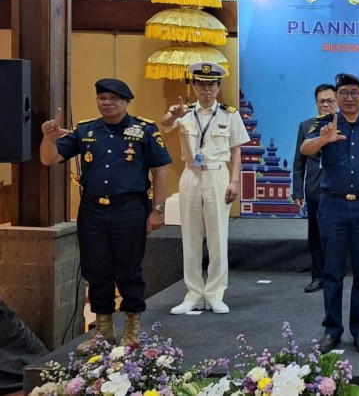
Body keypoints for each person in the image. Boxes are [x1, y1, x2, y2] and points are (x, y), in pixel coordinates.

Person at [40, 79, 171, 353]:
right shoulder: (86, 130)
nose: (107, 103)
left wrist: (157, 210)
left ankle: (132, 330)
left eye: (114, 98)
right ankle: (104, 331)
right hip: (93, 212)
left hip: (130, 210)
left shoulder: (144, 130)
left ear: (126, 102)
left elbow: (160, 170)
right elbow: (49, 159)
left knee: (128, 271)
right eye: (102, 98)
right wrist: (49, 137)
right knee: (97, 272)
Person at [301, 73, 359, 354]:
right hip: (332, 206)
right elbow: (305, 150)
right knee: (332, 273)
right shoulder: (323, 124)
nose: (349, 98)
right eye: (344, 93)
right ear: (337, 97)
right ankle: (332, 329)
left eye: (355, 93)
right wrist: (323, 140)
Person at [160, 62, 250, 315]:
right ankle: (193, 294)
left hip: (218, 174)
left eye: (211, 84)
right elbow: (164, 124)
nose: (206, 89)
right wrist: (173, 115)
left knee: (218, 235)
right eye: (201, 84)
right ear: (193, 86)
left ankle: (215, 293)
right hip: (190, 174)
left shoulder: (229, 114)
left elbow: (236, 151)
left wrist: (234, 182)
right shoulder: (183, 111)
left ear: (219, 87)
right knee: (190, 235)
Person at [293, 83, 338, 293]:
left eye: (330, 100)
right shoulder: (306, 126)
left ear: (336, 101)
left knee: (337, 236)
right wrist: (298, 191)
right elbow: (298, 162)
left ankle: (336, 275)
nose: (326, 105)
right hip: (314, 189)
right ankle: (318, 276)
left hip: (339, 191)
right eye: (322, 101)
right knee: (315, 236)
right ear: (316, 103)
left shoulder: (345, 125)